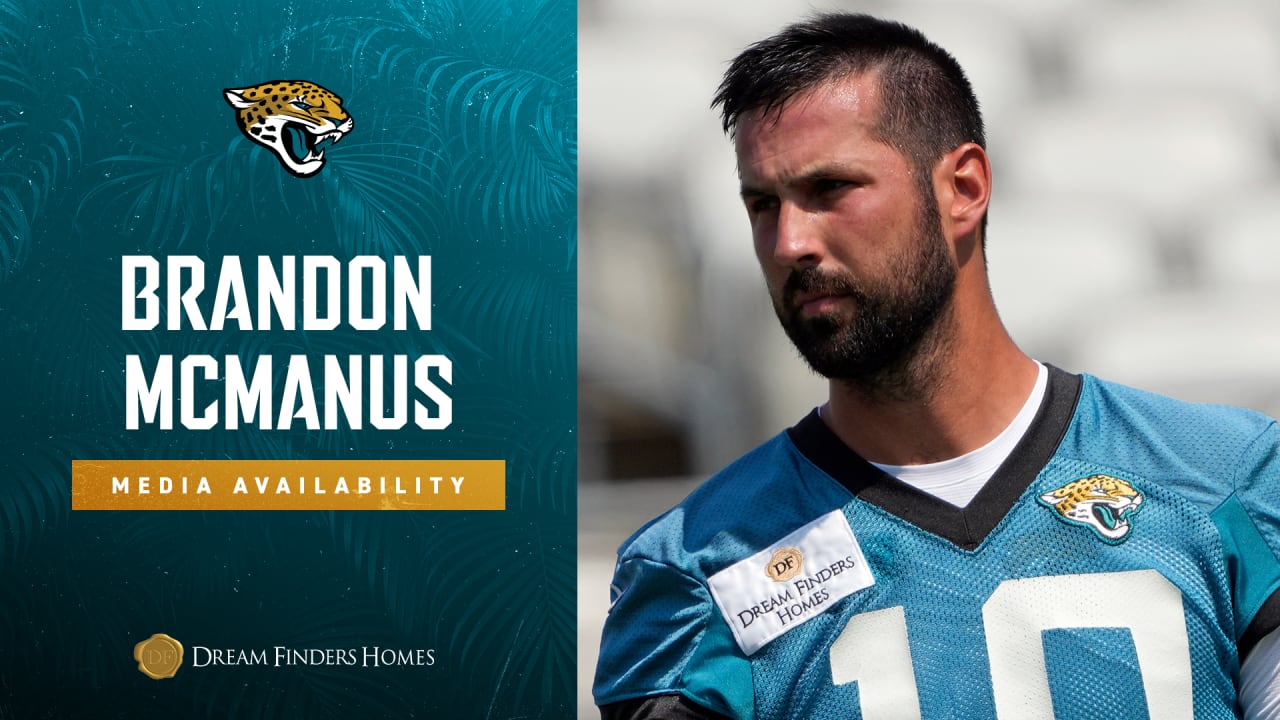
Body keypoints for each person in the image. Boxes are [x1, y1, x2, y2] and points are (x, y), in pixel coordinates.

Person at [592, 12, 1280, 720]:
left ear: (964, 188)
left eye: (831, 190)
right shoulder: (698, 568)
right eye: (764, 205)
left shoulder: (1229, 479)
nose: (790, 241)